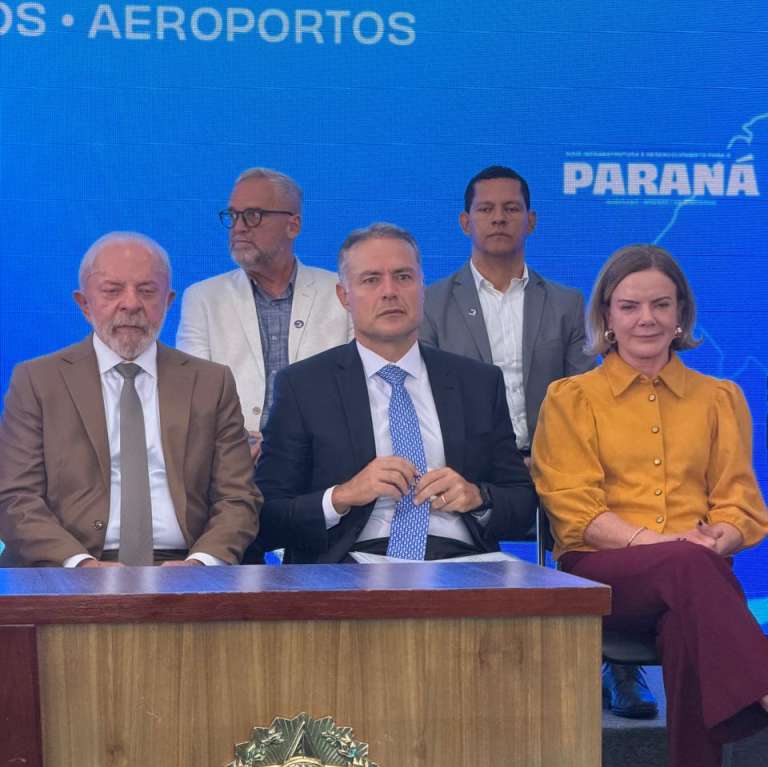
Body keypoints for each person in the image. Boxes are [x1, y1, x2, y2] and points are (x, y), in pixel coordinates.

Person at [532, 244, 768, 767]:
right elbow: (575, 509)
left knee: (690, 625)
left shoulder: (719, 398)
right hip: (603, 572)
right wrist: (670, 546)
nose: (646, 318)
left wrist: (718, 536)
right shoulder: (572, 398)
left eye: (661, 305)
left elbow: (741, 504)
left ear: (681, 313)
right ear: (606, 316)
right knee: (690, 571)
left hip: (695, 583)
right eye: (630, 305)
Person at [421, 164, 654, 718]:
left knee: (615, 501)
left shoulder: (568, 303)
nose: (498, 218)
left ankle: (619, 663)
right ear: (464, 222)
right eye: (486, 209)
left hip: (554, 459)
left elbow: (585, 397)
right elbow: (428, 394)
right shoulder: (432, 302)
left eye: (511, 208)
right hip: (467, 466)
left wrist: (547, 456)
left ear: (532, 220)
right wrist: (501, 462)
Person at [255, 222, 536, 563]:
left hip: (461, 564)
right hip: (350, 565)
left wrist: (477, 497)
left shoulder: (477, 382)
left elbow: (522, 502)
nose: (389, 291)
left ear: (422, 287)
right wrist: (342, 496)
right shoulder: (303, 386)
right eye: (371, 280)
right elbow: (267, 515)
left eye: (403, 277)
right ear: (344, 296)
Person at [0, 232, 261, 567]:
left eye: (147, 291)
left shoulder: (211, 382)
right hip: (67, 567)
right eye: (112, 290)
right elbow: (15, 498)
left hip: (184, 565)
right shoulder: (37, 381)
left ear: (168, 301)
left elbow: (238, 497)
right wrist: (80, 565)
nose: (132, 304)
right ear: (84, 303)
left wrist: (201, 565)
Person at [176, 167, 351, 460]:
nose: (238, 227)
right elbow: (192, 394)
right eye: (233, 216)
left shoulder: (341, 292)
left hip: (323, 460)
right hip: (233, 461)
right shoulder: (203, 298)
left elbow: (357, 389)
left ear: (293, 225)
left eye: (253, 215)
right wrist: (236, 441)